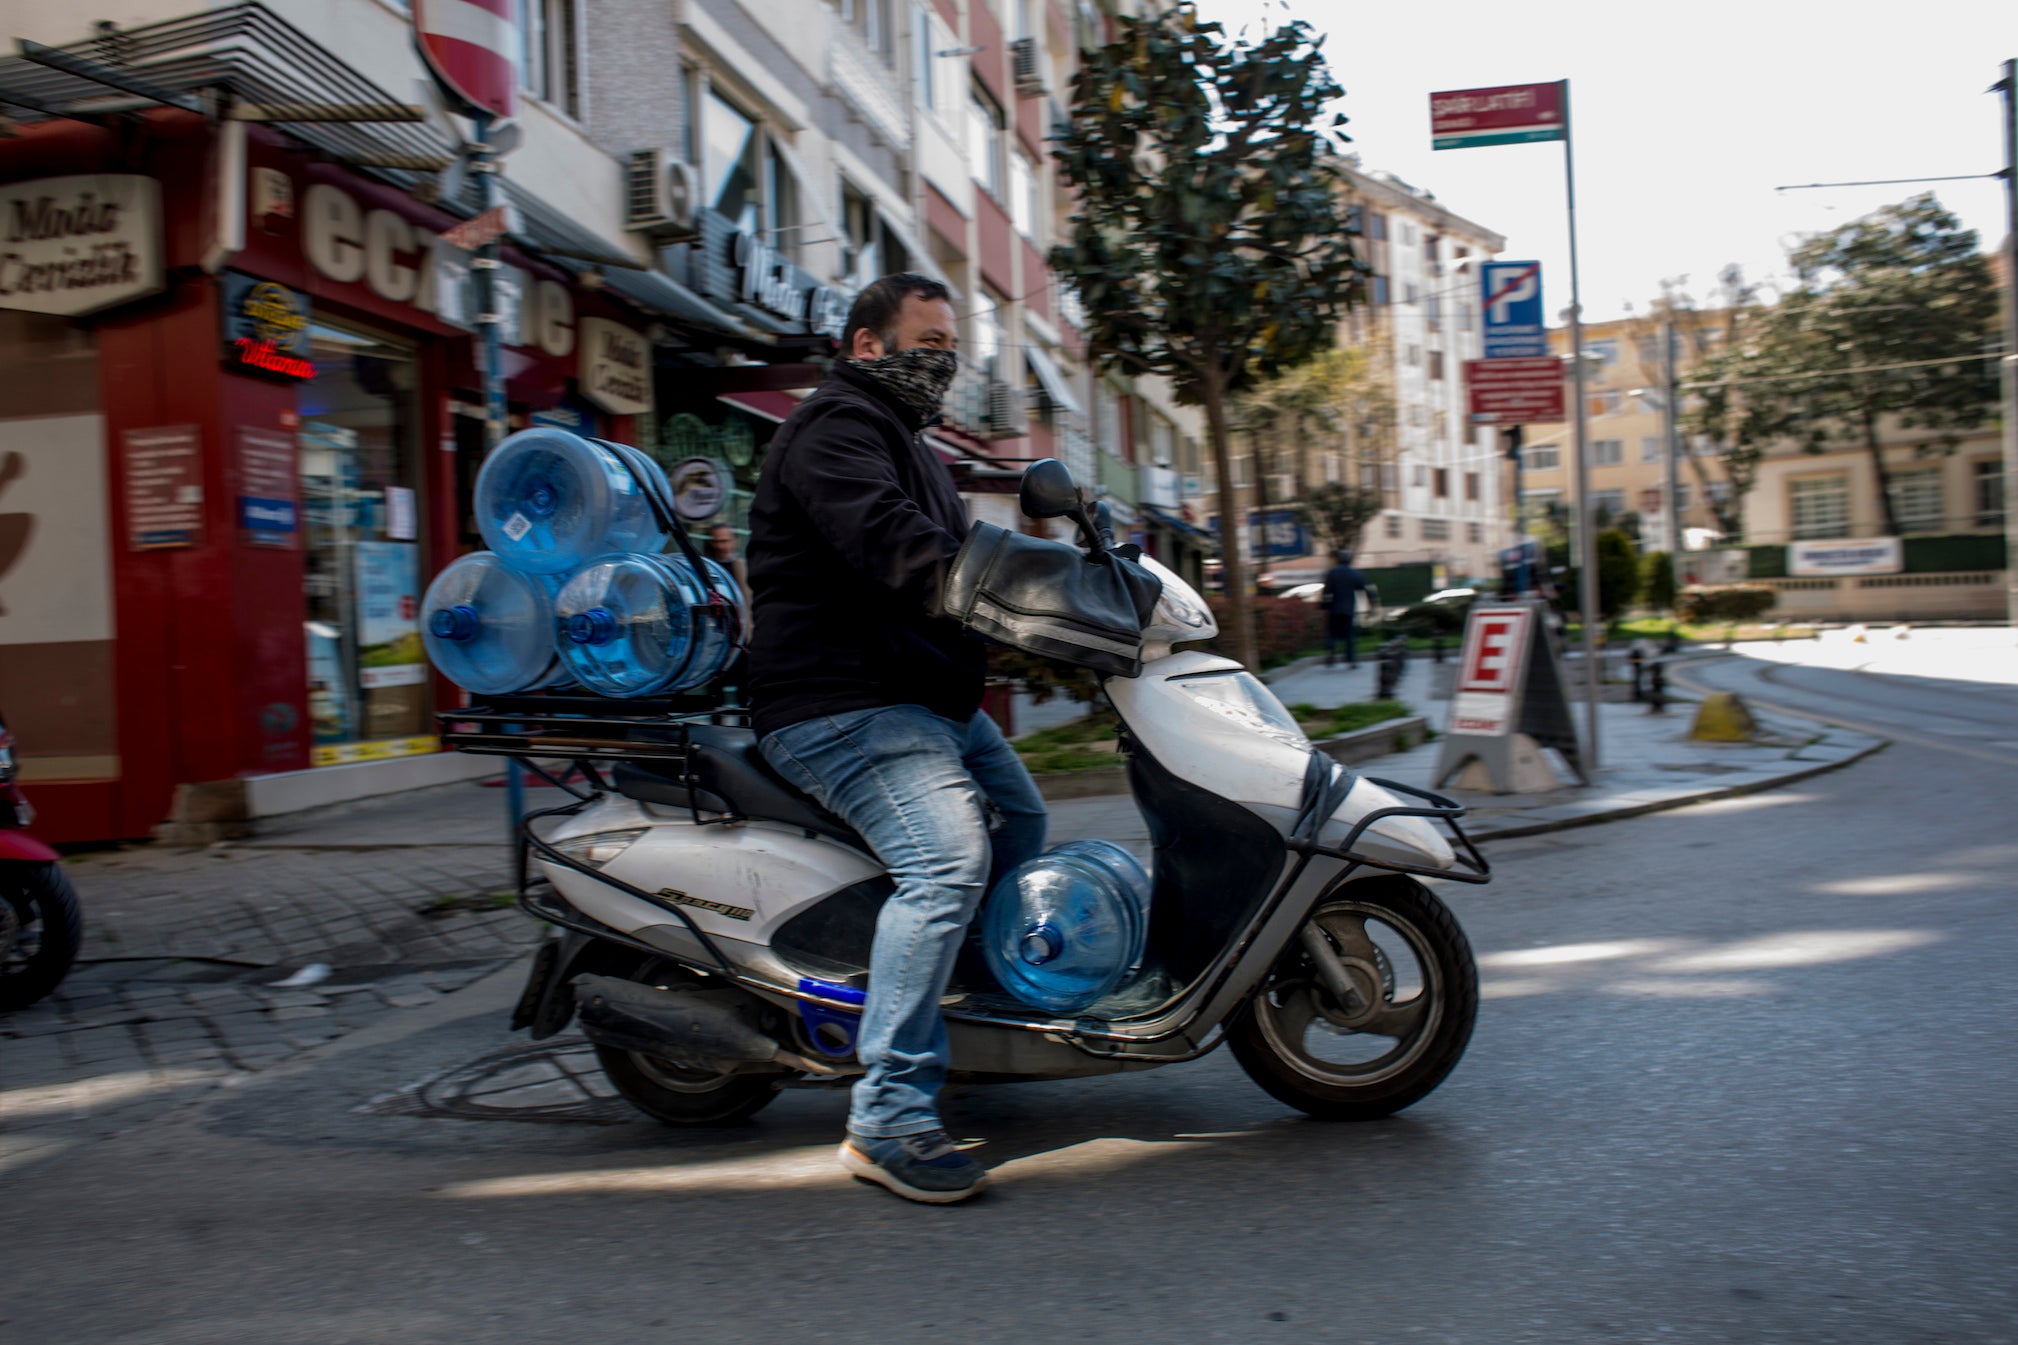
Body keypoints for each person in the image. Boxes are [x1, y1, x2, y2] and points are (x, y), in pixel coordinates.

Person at [745, 273, 1048, 1204]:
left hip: (914, 696)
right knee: (949, 862)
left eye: (951, 346)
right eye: (927, 342)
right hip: (838, 700)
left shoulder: (909, 442)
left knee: (1022, 818)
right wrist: (992, 599)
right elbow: (893, 542)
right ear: (867, 346)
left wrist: (1063, 587)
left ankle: (961, 1013)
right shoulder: (835, 429)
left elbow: (964, 546)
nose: (944, 361)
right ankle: (888, 1115)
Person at [1321, 548, 1369, 669]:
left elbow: (1326, 591)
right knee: (1349, 635)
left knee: (1332, 632)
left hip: (1334, 607)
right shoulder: (1355, 574)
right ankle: (1351, 661)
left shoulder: (1332, 572)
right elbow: (1365, 590)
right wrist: (1372, 605)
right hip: (1348, 609)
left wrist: (1324, 605)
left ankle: (1331, 651)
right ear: (1350, 560)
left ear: (1338, 560)